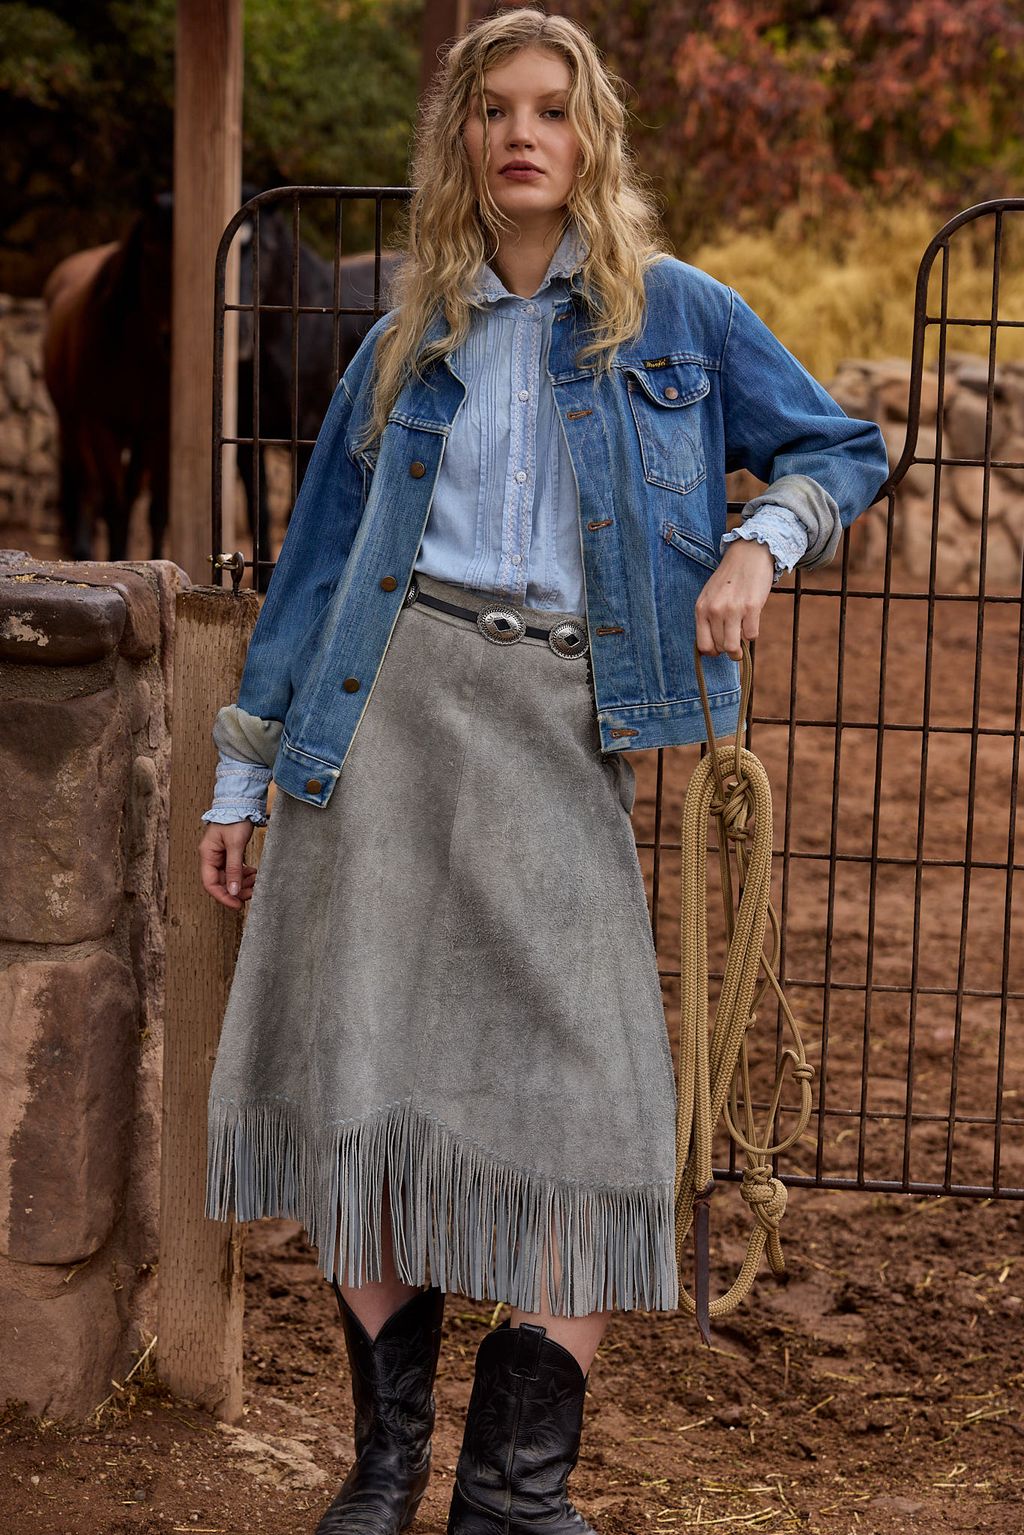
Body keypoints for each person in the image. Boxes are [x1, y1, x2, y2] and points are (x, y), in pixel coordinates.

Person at [197, 10, 889, 1534]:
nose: (525, 134)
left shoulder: (682, 318)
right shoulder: (403, 343)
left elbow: (844, 449)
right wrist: (242, 779)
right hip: (381, 722)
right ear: (460, 141)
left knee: (601, 1114)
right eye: (495, 110)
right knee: (370, 1092)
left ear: (594, 141)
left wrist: (763, 544)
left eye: (553, 110)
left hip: (567, 723)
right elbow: (316, 576)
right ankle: (385, 1473)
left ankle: (514, 1494)